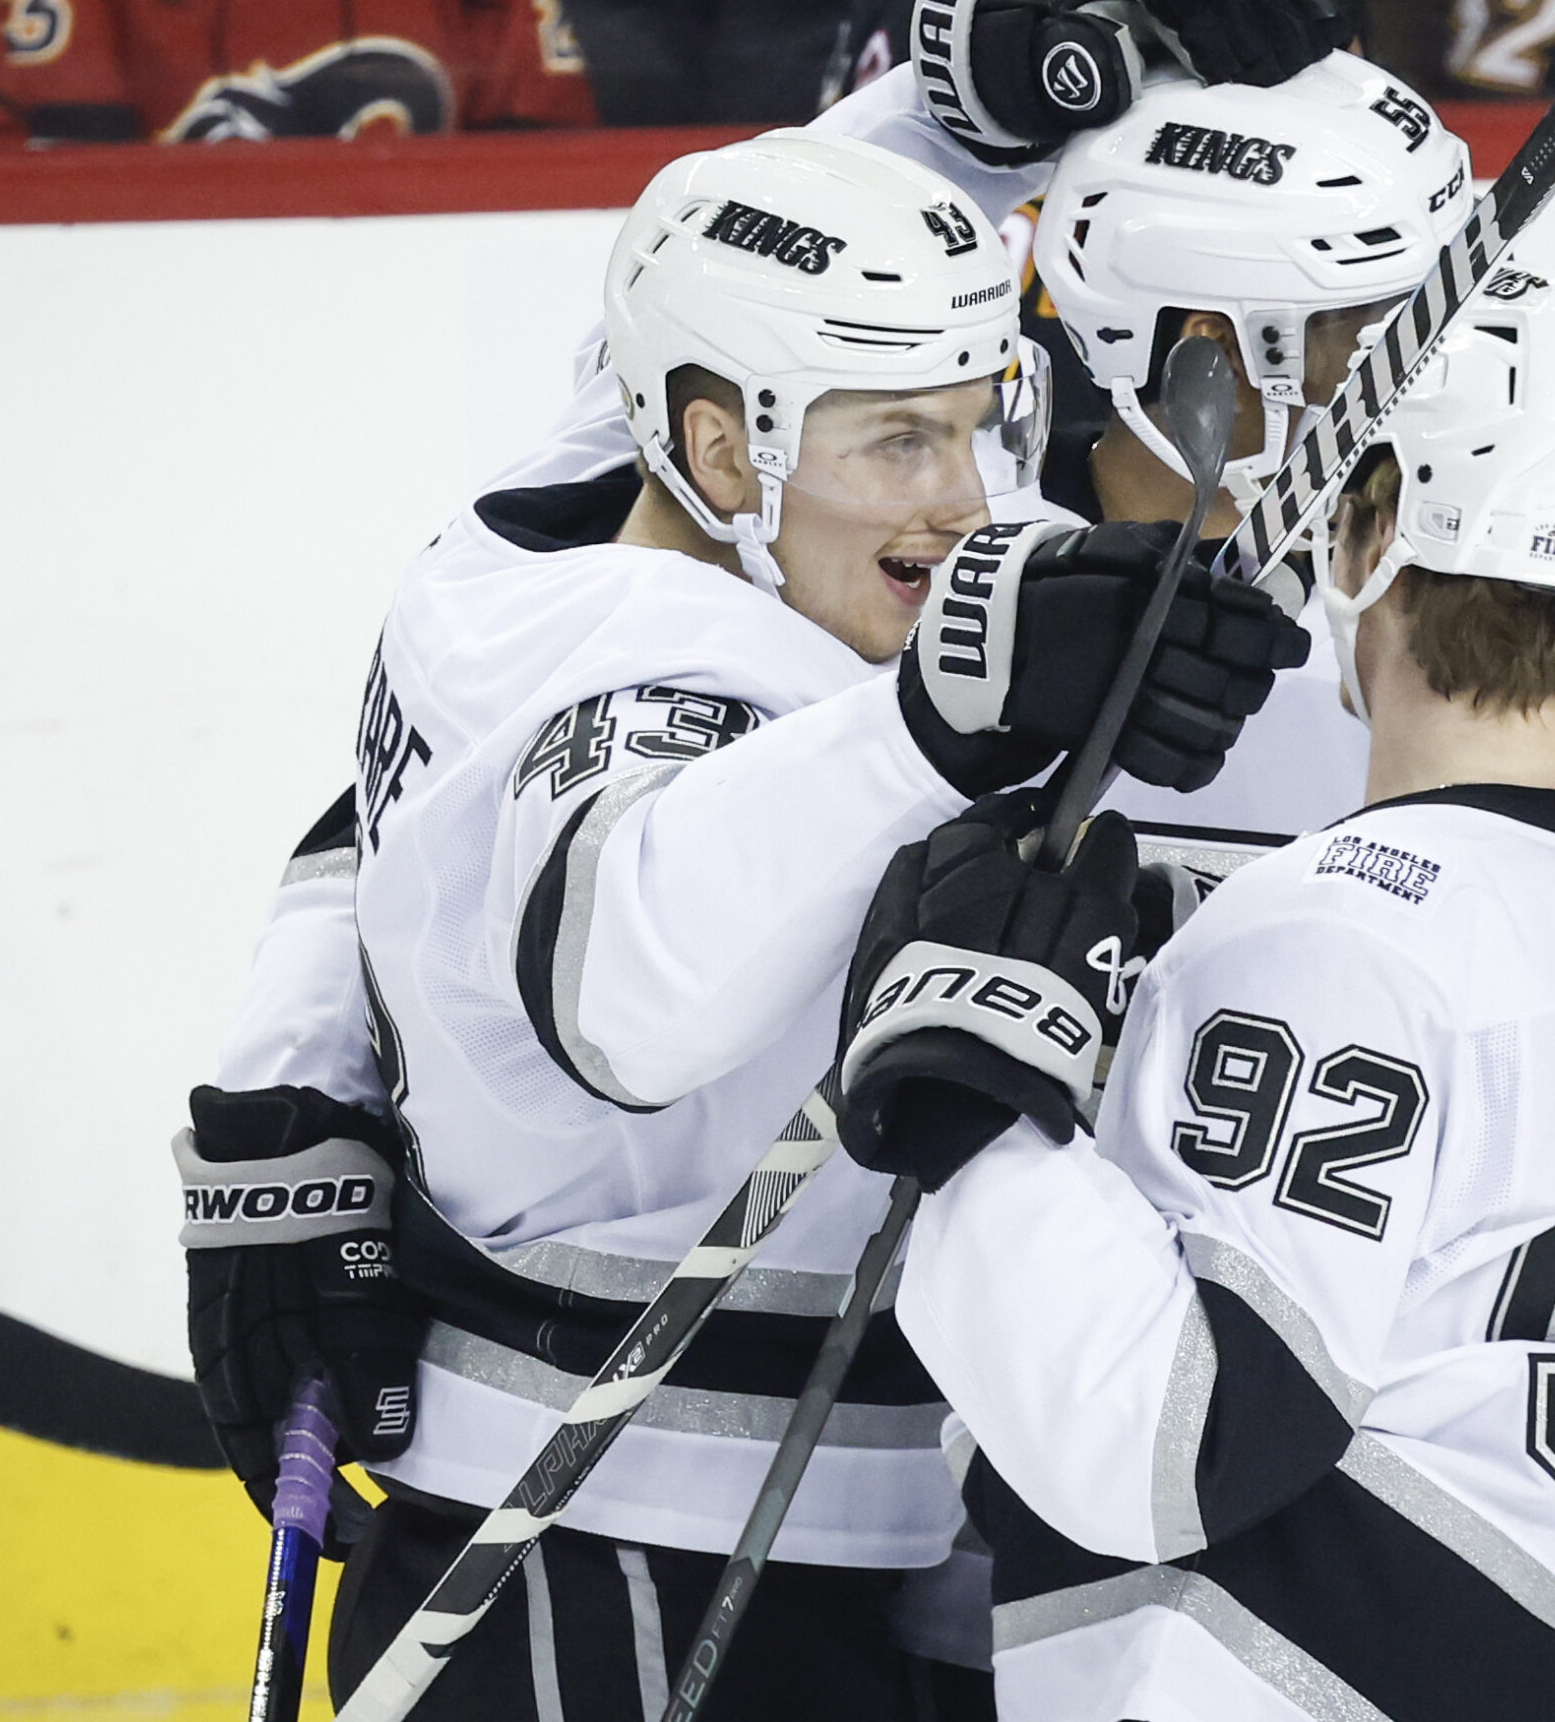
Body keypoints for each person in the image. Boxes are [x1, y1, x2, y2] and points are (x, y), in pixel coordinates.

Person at [175, 127, 1308, 1720]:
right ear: (719, 455)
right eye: (900, 443)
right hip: (622, 1573)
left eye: (984, 426)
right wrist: (937, 718)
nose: (970, 500)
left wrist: (957, 88)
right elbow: (630, 978)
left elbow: (757, 247)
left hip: (734, 1558)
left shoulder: (530, 530)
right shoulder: (656, 676)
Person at [837, 270, 1555, 1722]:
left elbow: (1169, 1439)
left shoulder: (1331, 936)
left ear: (1378, 525)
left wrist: (968, 1098)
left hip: (1294, 1670)